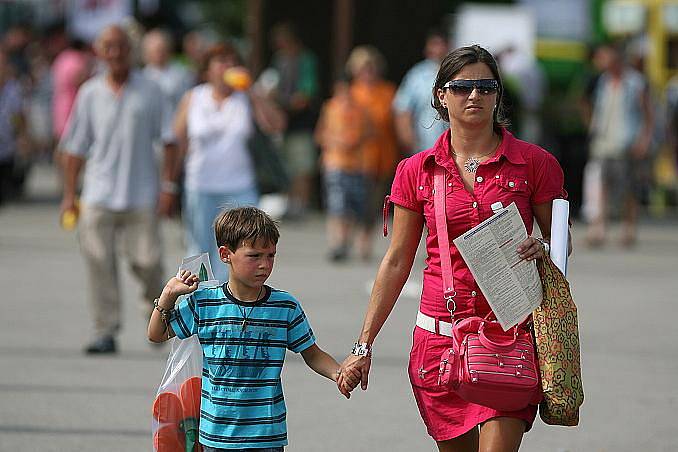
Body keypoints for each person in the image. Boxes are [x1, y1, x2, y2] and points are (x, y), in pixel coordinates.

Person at [337, 45, 570, 452]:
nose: (474, 96)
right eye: (462, 87)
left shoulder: (535, 163)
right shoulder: (416, 170)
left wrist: (543, 247)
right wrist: (363, 344)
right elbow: (396, 262)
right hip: (438, 346)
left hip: (509, 338)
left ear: (498, 95)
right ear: (441, 96)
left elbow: (562, 248)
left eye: (485, 86)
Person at [148, 206, 359, 451]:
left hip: (267, 434)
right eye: (255, 256)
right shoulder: (204, 303)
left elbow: (311, 353)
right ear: (225, 254)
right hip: (216, 435)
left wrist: (337, 373)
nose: (264, 265)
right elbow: (157, 334)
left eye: (271, 256)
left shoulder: (285, 306)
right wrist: (168, 296)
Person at [59, 25, 177, 354]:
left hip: (141, 193)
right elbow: (74, 148)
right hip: (98, 193)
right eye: (108, 47)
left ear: (132, 50)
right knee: (99, 262)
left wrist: (169, 185)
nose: (115, 54)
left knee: (148, 262)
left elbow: (169, 141)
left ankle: (155, 311)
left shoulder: (151, 91)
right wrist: (70, 196)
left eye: (121, 47)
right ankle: (105, 329)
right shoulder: (90, 92)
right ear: (99, 52)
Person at [174, 43, 284, 283]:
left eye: (232, 62)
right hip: (200, 184)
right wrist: (169, 183)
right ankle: (199, 300)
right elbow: (177, 140)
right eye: (221, 61)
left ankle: (231, 302)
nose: (228, 67)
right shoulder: (194, 97)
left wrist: (253, 93)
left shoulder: (245, 98)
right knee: (198, 248)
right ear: (208, 70)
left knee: (241, 248)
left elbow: (276, 125)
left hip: (239, 185)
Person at [585, 43, 653, 247]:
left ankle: (628, 227)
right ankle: (599, 228)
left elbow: (647, 113)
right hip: (603, 140)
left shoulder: (635, 82)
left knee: (627, 187)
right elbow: (590, 105)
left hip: (626, 141)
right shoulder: (603, 81)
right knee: (601, 185)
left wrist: (644, 139)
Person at [346, 46, 399, 260]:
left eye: (371, 67)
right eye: (362, 68)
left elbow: (394, 121)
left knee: (373, 203)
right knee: (352, 200)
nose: (367, 72)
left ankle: (364, 242)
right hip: (354, 158)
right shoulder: (350, 92)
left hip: (381, 156)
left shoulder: (388, 92)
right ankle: (344, 239)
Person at [315, 77, 371, 261]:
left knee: (355, 207)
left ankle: (348, 242)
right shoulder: (330, 108)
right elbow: (320, 134)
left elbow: (371, 132)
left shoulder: (360, 110)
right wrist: (335, 141)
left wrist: (356, 140)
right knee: (337, 205)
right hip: (335, 163)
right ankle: (337, 244)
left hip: (357, 165)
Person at [270, 23, 320, 219]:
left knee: (302, 167)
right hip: (282, 125)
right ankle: (287, 205)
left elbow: (305, 95)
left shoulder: (306, 60)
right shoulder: (278, 60)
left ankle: (301, 205)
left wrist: (284, 104)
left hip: (301, 123)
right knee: (284, 166)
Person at [393, 28, 449, 155]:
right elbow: (402, 108)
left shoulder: (456, 73)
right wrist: (408, 140)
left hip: (451, 148)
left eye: (441, 44)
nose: (438, 49)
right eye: (434, 44)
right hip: (423, 147)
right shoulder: (417, 75)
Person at [141, 28, 192, 117]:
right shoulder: (142, 77)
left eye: (161, 49)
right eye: (156, 50)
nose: (159, 53)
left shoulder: (182, 74)